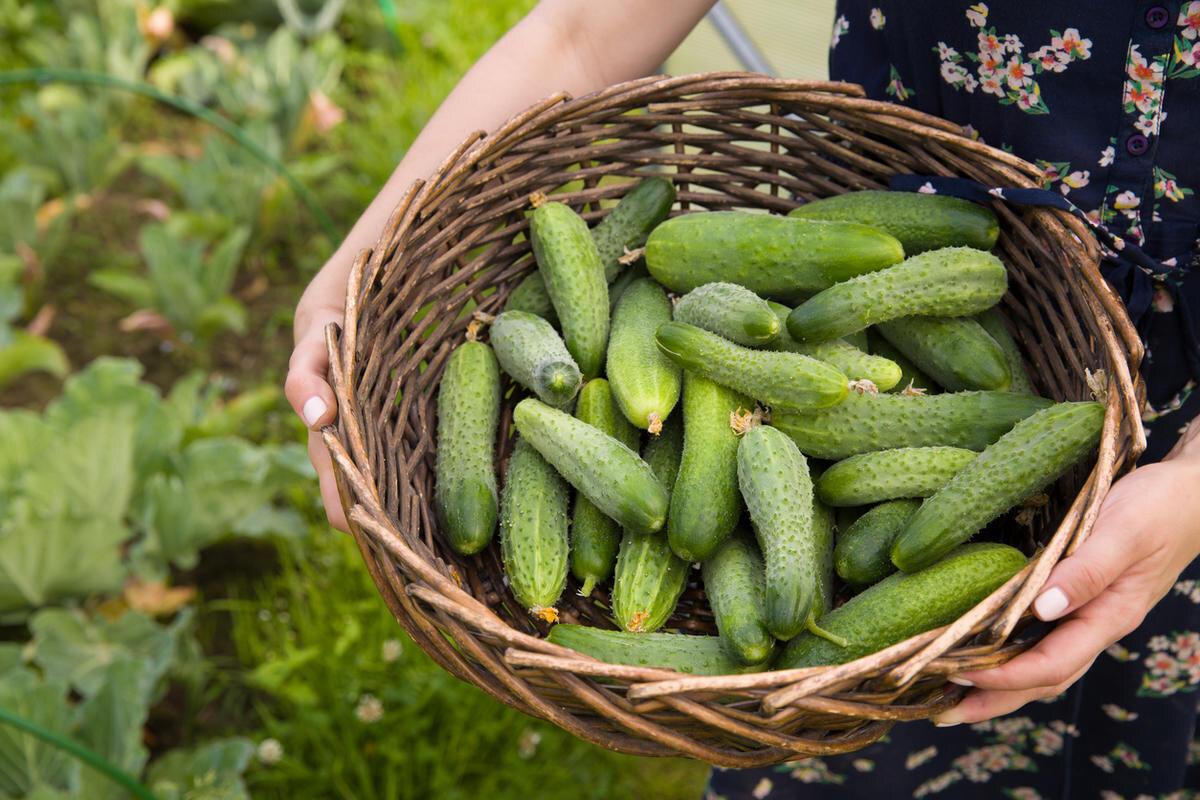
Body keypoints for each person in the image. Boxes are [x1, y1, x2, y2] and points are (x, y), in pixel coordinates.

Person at [284, 1, 1200, 796]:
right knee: (835, 724)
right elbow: (577, 29)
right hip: (931, 250)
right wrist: (356, 271)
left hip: (1166, 462)